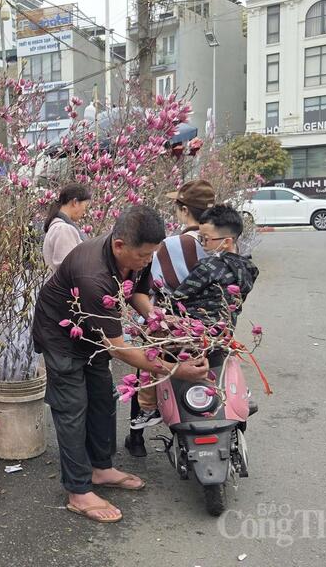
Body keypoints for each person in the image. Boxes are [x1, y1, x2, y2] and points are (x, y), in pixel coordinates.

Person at [32, 205, 210, 524]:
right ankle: (78, 490)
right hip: (61, 335)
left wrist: (158, 318)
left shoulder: (139, 254)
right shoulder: (93, 273)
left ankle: (101, 469)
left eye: (151, 254)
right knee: (72, 408)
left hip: (94, 332)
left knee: (103, 398)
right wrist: (175, 370)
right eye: (143, 256)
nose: (148, 260)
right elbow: (119, 349)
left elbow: (138, 292)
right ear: (119, 245)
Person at [126, 180, 215, 456]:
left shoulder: (171, 245)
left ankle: (137, 437)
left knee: (145, 371)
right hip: (210, 327)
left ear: (184, 210)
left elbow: (148, 285)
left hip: (169, 327)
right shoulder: (220, 242)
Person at [42, 183, 92, 274]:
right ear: (75, 202)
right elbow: (69, 267)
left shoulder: (57, 226)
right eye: (85, 206)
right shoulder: (63, 229)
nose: (84, 211)